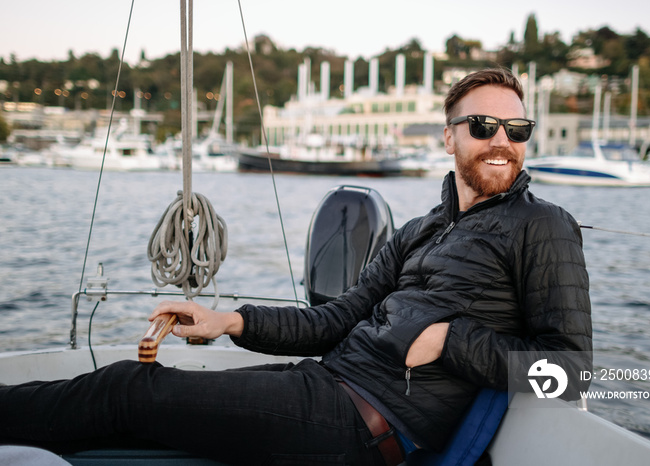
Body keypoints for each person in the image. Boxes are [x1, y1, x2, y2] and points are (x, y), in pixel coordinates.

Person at [0, 68, 592, 465]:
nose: (502, 141)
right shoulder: (420, 231)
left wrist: (453, 340)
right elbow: (334, 319)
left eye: (517, 129)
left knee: (125, 390)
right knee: (138, 394)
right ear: (448, 137)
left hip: (365, 426)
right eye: (484, 126)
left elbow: (572, 372)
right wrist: (227, 321)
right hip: (322, 384)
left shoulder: (542, 226)